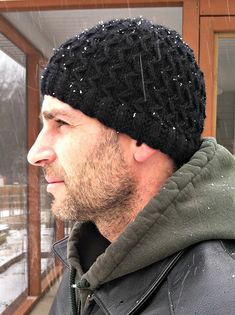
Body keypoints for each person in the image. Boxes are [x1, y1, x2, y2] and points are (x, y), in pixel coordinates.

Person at [27, 18, 235, 315]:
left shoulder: (219, 301)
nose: (35, 153)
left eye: (62, 123)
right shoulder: (92, 248)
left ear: (140, 138)